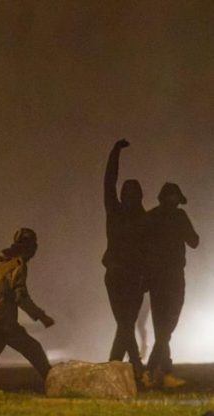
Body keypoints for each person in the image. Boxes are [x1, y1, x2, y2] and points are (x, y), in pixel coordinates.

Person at [0, 228, 55, 390]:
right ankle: (54, 383)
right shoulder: (18, 266)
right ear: (28, 247)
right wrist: (41, 316)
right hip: (4, 321)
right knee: (34, 349)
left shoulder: (1, 266)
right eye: (33, 245)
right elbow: (21, 296)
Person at [142, 183, 199, 388]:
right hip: (172, 277)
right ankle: (153, 369)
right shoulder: (178, 216)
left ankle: (162, 372)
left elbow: (142, 248)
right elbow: (194, 241)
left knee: (161, 326)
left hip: (156, 278)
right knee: (168, 325)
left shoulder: (150, 217)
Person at [102, 139, 146, 375]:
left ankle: (114, 367)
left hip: (126, 275)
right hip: (123, 275)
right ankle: (136, 366)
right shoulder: (127, 215)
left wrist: (115, 151)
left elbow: (109, 183)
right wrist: (115, 152)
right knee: (126, 323)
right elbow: (109, 181)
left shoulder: (128, 215)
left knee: (125, 324)